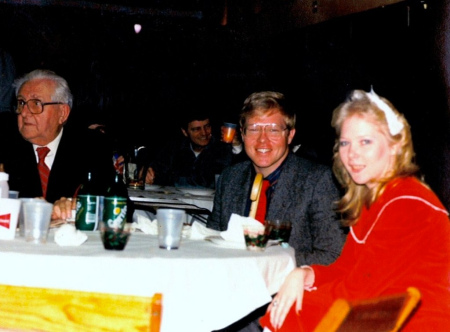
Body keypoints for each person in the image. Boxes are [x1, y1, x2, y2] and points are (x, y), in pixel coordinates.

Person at [260, 89, 450, 332]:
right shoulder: (377, 198)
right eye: (345, 143)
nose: (352, 154)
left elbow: (362, 290)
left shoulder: (406, 202)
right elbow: (346, 270)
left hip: (413, 323)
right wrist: (305, 274)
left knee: (285, 311)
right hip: (379, 318)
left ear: (394, 146)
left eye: (365, 142)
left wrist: (294, 302)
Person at [207, 91, 346, 266]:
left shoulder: (317, 180)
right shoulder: (230, 178)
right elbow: (212, 239)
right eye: (254, 129)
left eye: (273, 130)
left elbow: (333, 254)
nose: (262, 140)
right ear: (242, 135)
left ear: (290, 135)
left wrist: (270, 265)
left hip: (287, 286)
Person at [2, 69, 116, 206]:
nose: (24, 113)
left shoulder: (91, 145)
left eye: (36, 103)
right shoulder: (5, 145)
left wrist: (76, 206)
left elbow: (118, 203)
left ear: (62, 113)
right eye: (21, 103)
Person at [144, 109, 243, 188]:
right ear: (185, 132)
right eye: (196, 129)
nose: (204, 133)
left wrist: (237, 145)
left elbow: (238, 171)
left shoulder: (221, 149)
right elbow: (157, 170)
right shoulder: (176, 149)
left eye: (207, 126)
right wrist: (147, 174)